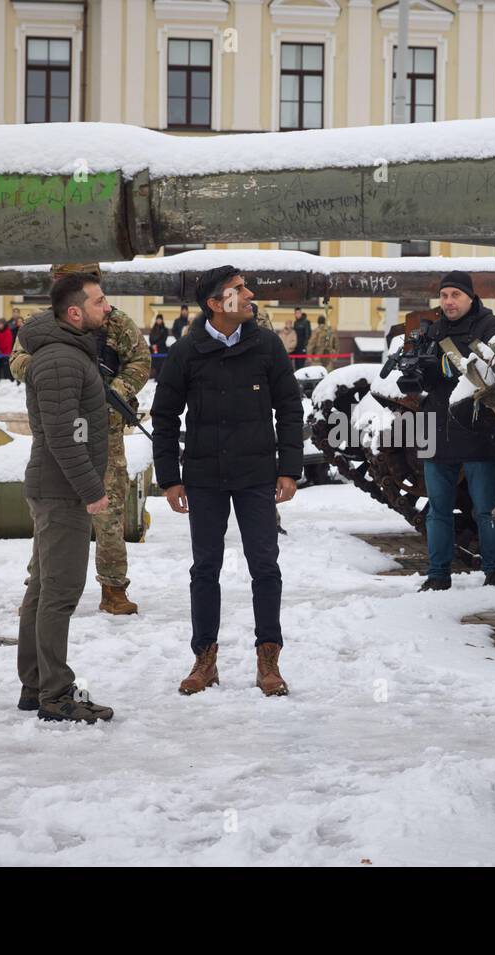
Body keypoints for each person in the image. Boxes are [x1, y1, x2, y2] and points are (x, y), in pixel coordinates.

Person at [152, 265, 303, 697]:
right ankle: (205, 659)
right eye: (239, 289)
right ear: (216, 304)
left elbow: (290, 409)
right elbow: (164, 417)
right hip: (204, 478)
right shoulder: (188, 351)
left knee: (265, 567)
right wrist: (170, 479)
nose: (250, 293)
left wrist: (288, 468)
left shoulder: (266, 345)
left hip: (257, 477)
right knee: (205, 569)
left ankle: (268, 660)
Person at [11, 264, 152, 616]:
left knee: (110, 511)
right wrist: (60, 375)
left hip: (105, 427)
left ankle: (113, 587)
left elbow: (141, 360)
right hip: (58, 421)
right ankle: (40, 585)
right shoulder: (39, 326)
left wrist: (111, 391)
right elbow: (17, 361)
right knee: (54, 511)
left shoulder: (115, 322)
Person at [16, 271, 115, 724]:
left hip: (58, 488)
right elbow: (61, 435)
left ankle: (36, 685)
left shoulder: (68, 353)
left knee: (42, 591)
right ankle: (54, 695)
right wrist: (91, 491)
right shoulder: (59, 360)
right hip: (63, 491)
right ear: (74, 312)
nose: (107, 307)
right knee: (59, 593)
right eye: (99, 302)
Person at [416, 271, 495, 592]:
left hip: (476, 426)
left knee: (485, 507)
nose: (448, 302)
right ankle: (438, 575)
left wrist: (445, 363)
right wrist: (416, 370)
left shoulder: (490, 327)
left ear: (471, 297)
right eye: (444, 296)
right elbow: (424, 383)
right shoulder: (432, 329)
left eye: (455, 295)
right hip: (434, 427)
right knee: (437, 510)